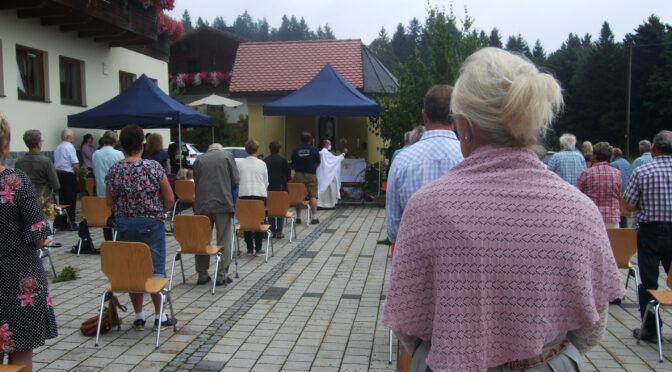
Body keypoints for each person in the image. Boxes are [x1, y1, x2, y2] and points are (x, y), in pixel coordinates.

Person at [383, 48, 625, 372]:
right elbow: (592, 328)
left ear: (465, 126)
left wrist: (458, 349)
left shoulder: (427, 207)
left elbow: (408, 327)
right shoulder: (580, 210)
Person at [0, 116, 57, 371]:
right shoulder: (15, 179)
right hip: (18, 278)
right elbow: (39, 234)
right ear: (5, 146)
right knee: (21, 354)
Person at [105, 125, 176, 331]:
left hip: (124, 223)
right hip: (151, 223)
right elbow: (169, 198)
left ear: (122, 146)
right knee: (155, 269)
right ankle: (160, 315)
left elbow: (109, 202)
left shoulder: (115, 170)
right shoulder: (153, 168)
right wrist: (158, 211)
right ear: (142, 146)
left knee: (132, 268)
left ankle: (138, 315)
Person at [385, 85, 463, 245]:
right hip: (459, 262)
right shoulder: (469, 158)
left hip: (412, 258)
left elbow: (393, 229)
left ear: (424, 115)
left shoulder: (402, 160)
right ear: (456, 118)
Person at [623, 130, 672, 342]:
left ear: (653, 148)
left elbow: (630, 205)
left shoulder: (643, 170)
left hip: (650, 231)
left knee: (648, 281)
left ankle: (651, 328)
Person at [192, 143, 239, 286]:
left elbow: (196, 180)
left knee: (202, 239)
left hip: (202, 205)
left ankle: (202, 274)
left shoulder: (199, 160)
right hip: (223, 204)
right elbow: (235, 181)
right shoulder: (227, 156)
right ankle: (221, 275)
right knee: (223, 238)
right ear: (220, 149)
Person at [577, 142, 621, 228]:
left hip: (592, 218)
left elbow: (579, 196)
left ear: (595, 156)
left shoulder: (586, 173)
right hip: (612, 219)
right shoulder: (617, 173)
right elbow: (618, 194)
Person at [238, 140, 269, 255]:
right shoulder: (262, 164)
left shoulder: (240, 163)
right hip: (259, 194)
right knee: (258, 221)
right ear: (257, 150)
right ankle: (259, 247)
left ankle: (249, 247)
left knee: (246, 222)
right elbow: (266, 182)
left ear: (246, 150)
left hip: (244, 193)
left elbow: (237, 180)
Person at [15, 129, 60, 198]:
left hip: (26, 200)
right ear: (38, 144)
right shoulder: (46, 161)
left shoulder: (19, 162)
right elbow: (56, 185)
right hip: (44, 201)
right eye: (41, 141)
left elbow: (17, 185)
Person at [291, 132, 320, 225]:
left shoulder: (295, 150)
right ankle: (314, 218)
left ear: (301, 139)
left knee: (298, 195)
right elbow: (318, 163)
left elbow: (293, 162)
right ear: (310, 140)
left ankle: (298, 218)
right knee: (313, 195)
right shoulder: (314, 150)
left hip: (298, 174)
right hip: (310, 174)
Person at [53, 128, 79, 230]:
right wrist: (78, 174)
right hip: (68, 175)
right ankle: (71, 222)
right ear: (69, 137)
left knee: (62, 199)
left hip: (59, 175)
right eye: (73, 135)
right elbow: (75, 163)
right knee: (71, 199)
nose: (74, 137)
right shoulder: (70, 146)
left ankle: (62, 221)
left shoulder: (58, 147)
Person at [264, 140, 291, 239]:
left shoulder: (265, 160)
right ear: (279, 149)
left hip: (269, 188)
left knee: (270, 210)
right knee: (281, 209)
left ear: (269, 149)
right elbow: (288, 175)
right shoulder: (283, 160)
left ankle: (271, 230)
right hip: (281, 188)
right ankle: (279, 231)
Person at [316, 139, 347, 210]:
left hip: (321, 174)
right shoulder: (326, 153)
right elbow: (336, 160)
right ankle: (329, 205)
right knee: (330, 187)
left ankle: (320, 204)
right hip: (328, 175)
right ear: (326, 144)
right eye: (329, 144)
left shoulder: (319, 153)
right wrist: (343, 153)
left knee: (322, 188)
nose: (330, 146)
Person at [92, 131, 124, 197]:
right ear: (115, 141)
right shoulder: (119, 154)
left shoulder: (95, 154)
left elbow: (95, 172)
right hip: (115, 191)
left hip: (100, 190)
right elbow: (122, 174)